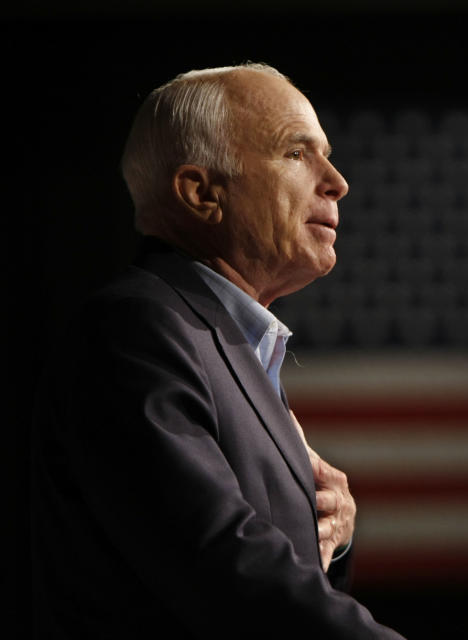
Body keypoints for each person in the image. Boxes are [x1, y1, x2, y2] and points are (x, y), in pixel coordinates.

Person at [30, 63, 406, 638]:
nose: (337, 181)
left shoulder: (228, 339)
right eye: (296, 154)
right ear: (202, 192)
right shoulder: (137, 329)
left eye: (325, 155)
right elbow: (226, 569)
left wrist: (331, 529)